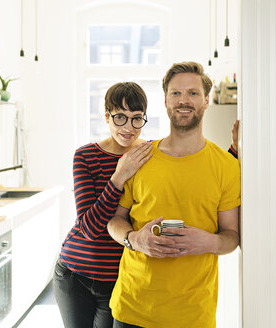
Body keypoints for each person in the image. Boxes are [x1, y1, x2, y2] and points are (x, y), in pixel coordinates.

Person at [107, 61, 241, 328]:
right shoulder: (140, 158)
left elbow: (231, 237)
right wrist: (135, 240)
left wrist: (207, 242)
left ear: (206, 102)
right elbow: (114, 222)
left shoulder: (226, 165)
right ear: (166, 101)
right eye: (176, 93)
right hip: (131, 308)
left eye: (193, 93)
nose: (184, 101)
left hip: (192, 315)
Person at [53, 82, 153, 328]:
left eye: (136, 118)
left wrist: (235, 151)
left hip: (120, 279)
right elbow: (88, 227)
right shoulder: (86, 156)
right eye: (120, 117)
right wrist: (119, 176)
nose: (129, 128)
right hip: (75, 275)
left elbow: (192, 168)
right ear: (107, 116)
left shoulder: (150, 156)